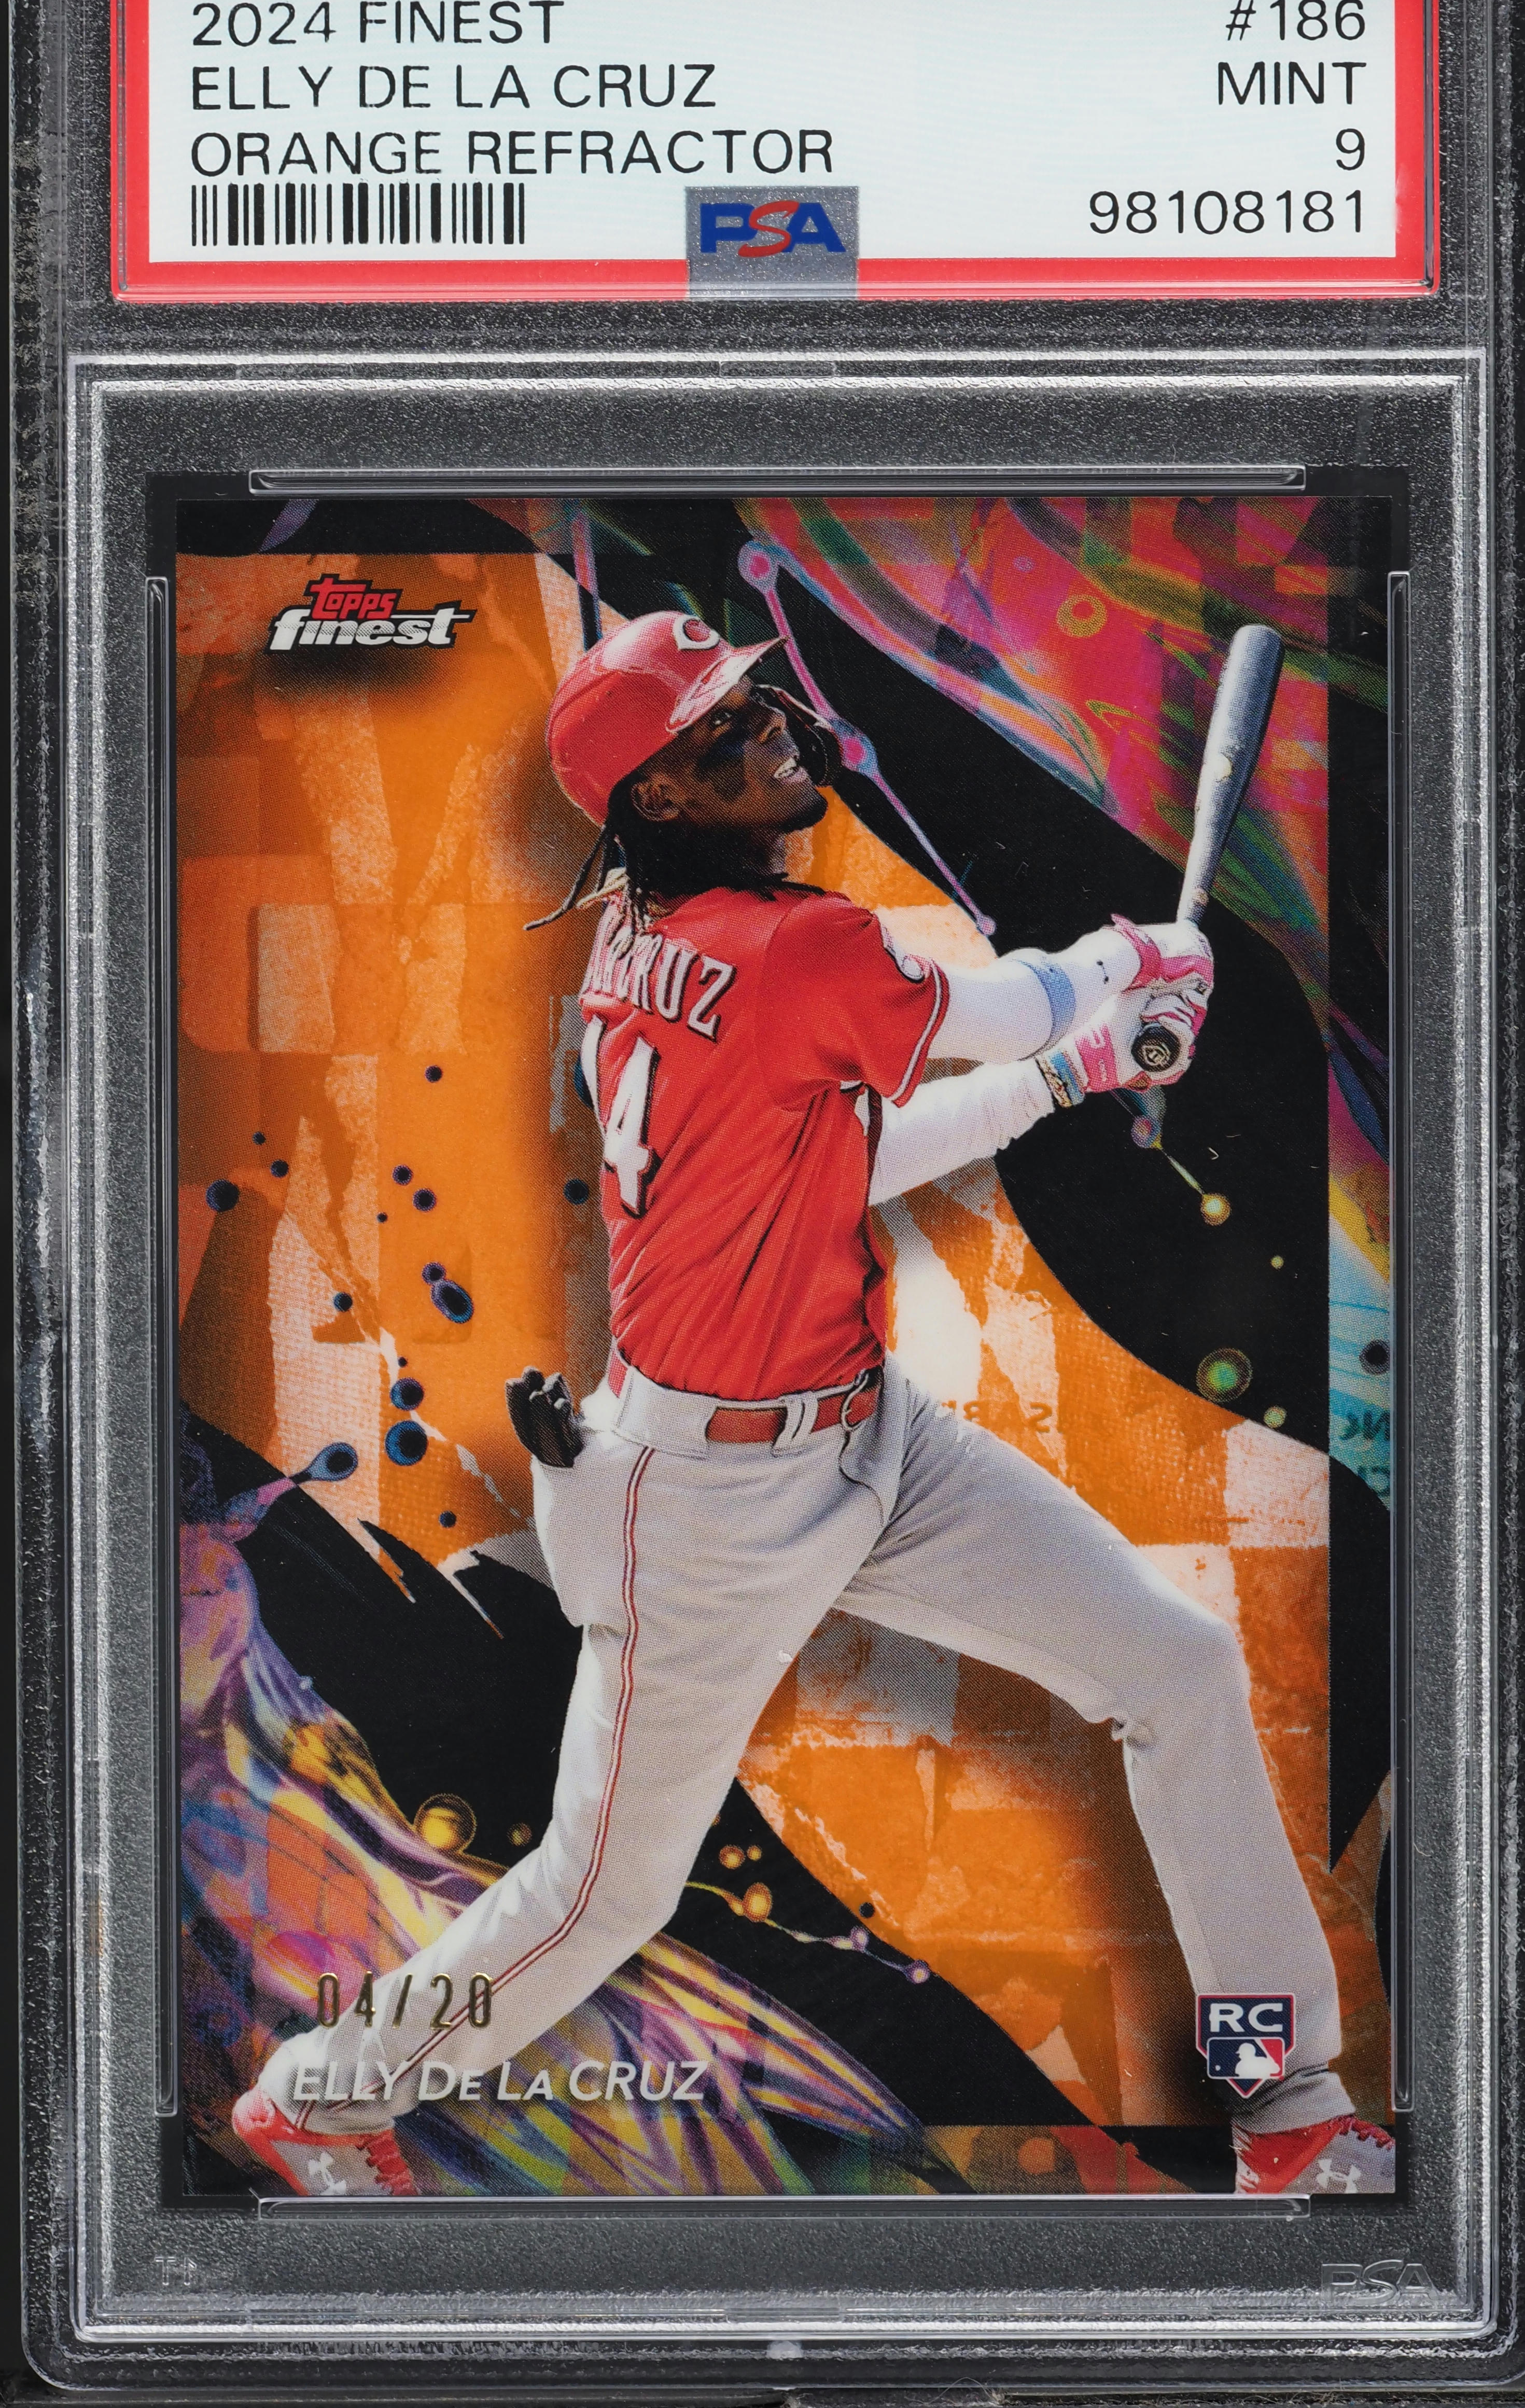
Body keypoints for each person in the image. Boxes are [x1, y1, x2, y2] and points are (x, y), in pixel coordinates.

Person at [234, 609, 1394, 2199]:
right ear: (661, 800)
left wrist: (1076, 1075)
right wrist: (1135, 970)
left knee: (1177, 1669)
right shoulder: (790, 949)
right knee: (603, 1892)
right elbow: (1006, 1007)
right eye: (723, 730)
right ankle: (320, 2096)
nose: (771, 726)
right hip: (699, 1509)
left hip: (872, 1440)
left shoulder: (650, 947)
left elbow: (837, 1167)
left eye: (757, 696)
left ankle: (1287, 2108)